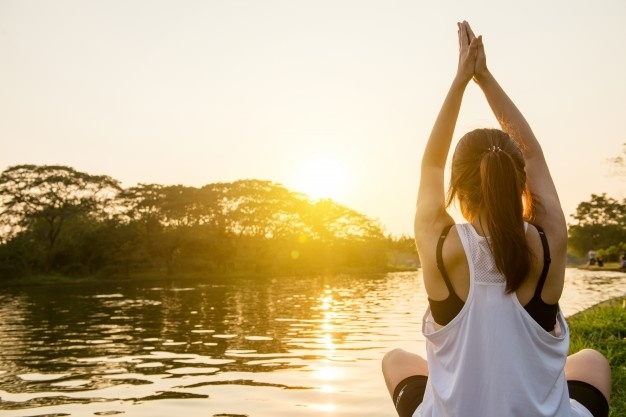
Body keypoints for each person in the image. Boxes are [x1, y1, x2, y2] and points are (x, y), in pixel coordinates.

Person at [381, 21, 611, 417]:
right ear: (519, 182)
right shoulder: (549, 241)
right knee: (592, 362)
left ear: (459, 189)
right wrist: (485, 79)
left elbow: (432, 163)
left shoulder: (439, 245)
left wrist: (460, 81)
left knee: (395, 360)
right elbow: (535, 155)